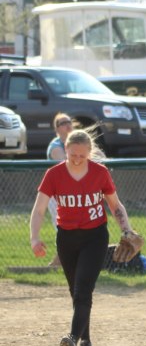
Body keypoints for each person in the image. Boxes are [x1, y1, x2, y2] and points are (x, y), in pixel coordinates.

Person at [30, 129, 135, 346]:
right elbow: (38, 210)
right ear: (65, 150)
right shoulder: (54, 175)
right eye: (72, 154)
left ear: (89, 153)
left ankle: (72, 339)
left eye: (82, 155)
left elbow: (115, 206)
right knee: (75, 292)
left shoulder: (99, 173)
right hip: (66, 238)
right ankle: (85, 342)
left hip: (94, 237)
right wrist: (34, 237)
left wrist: (126, 229)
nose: (77, 159)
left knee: (83, 290)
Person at [46, 113, 74, 267]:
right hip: (56, 194)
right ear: (57, 128)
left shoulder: (76, 143)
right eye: (63, 123)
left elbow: (100, 156)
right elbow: (67, 166)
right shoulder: (55, 146)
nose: (68, 125)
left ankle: (59, 261)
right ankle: (57, 262)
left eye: (69, 121)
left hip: (73, 194)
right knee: (62, 229)